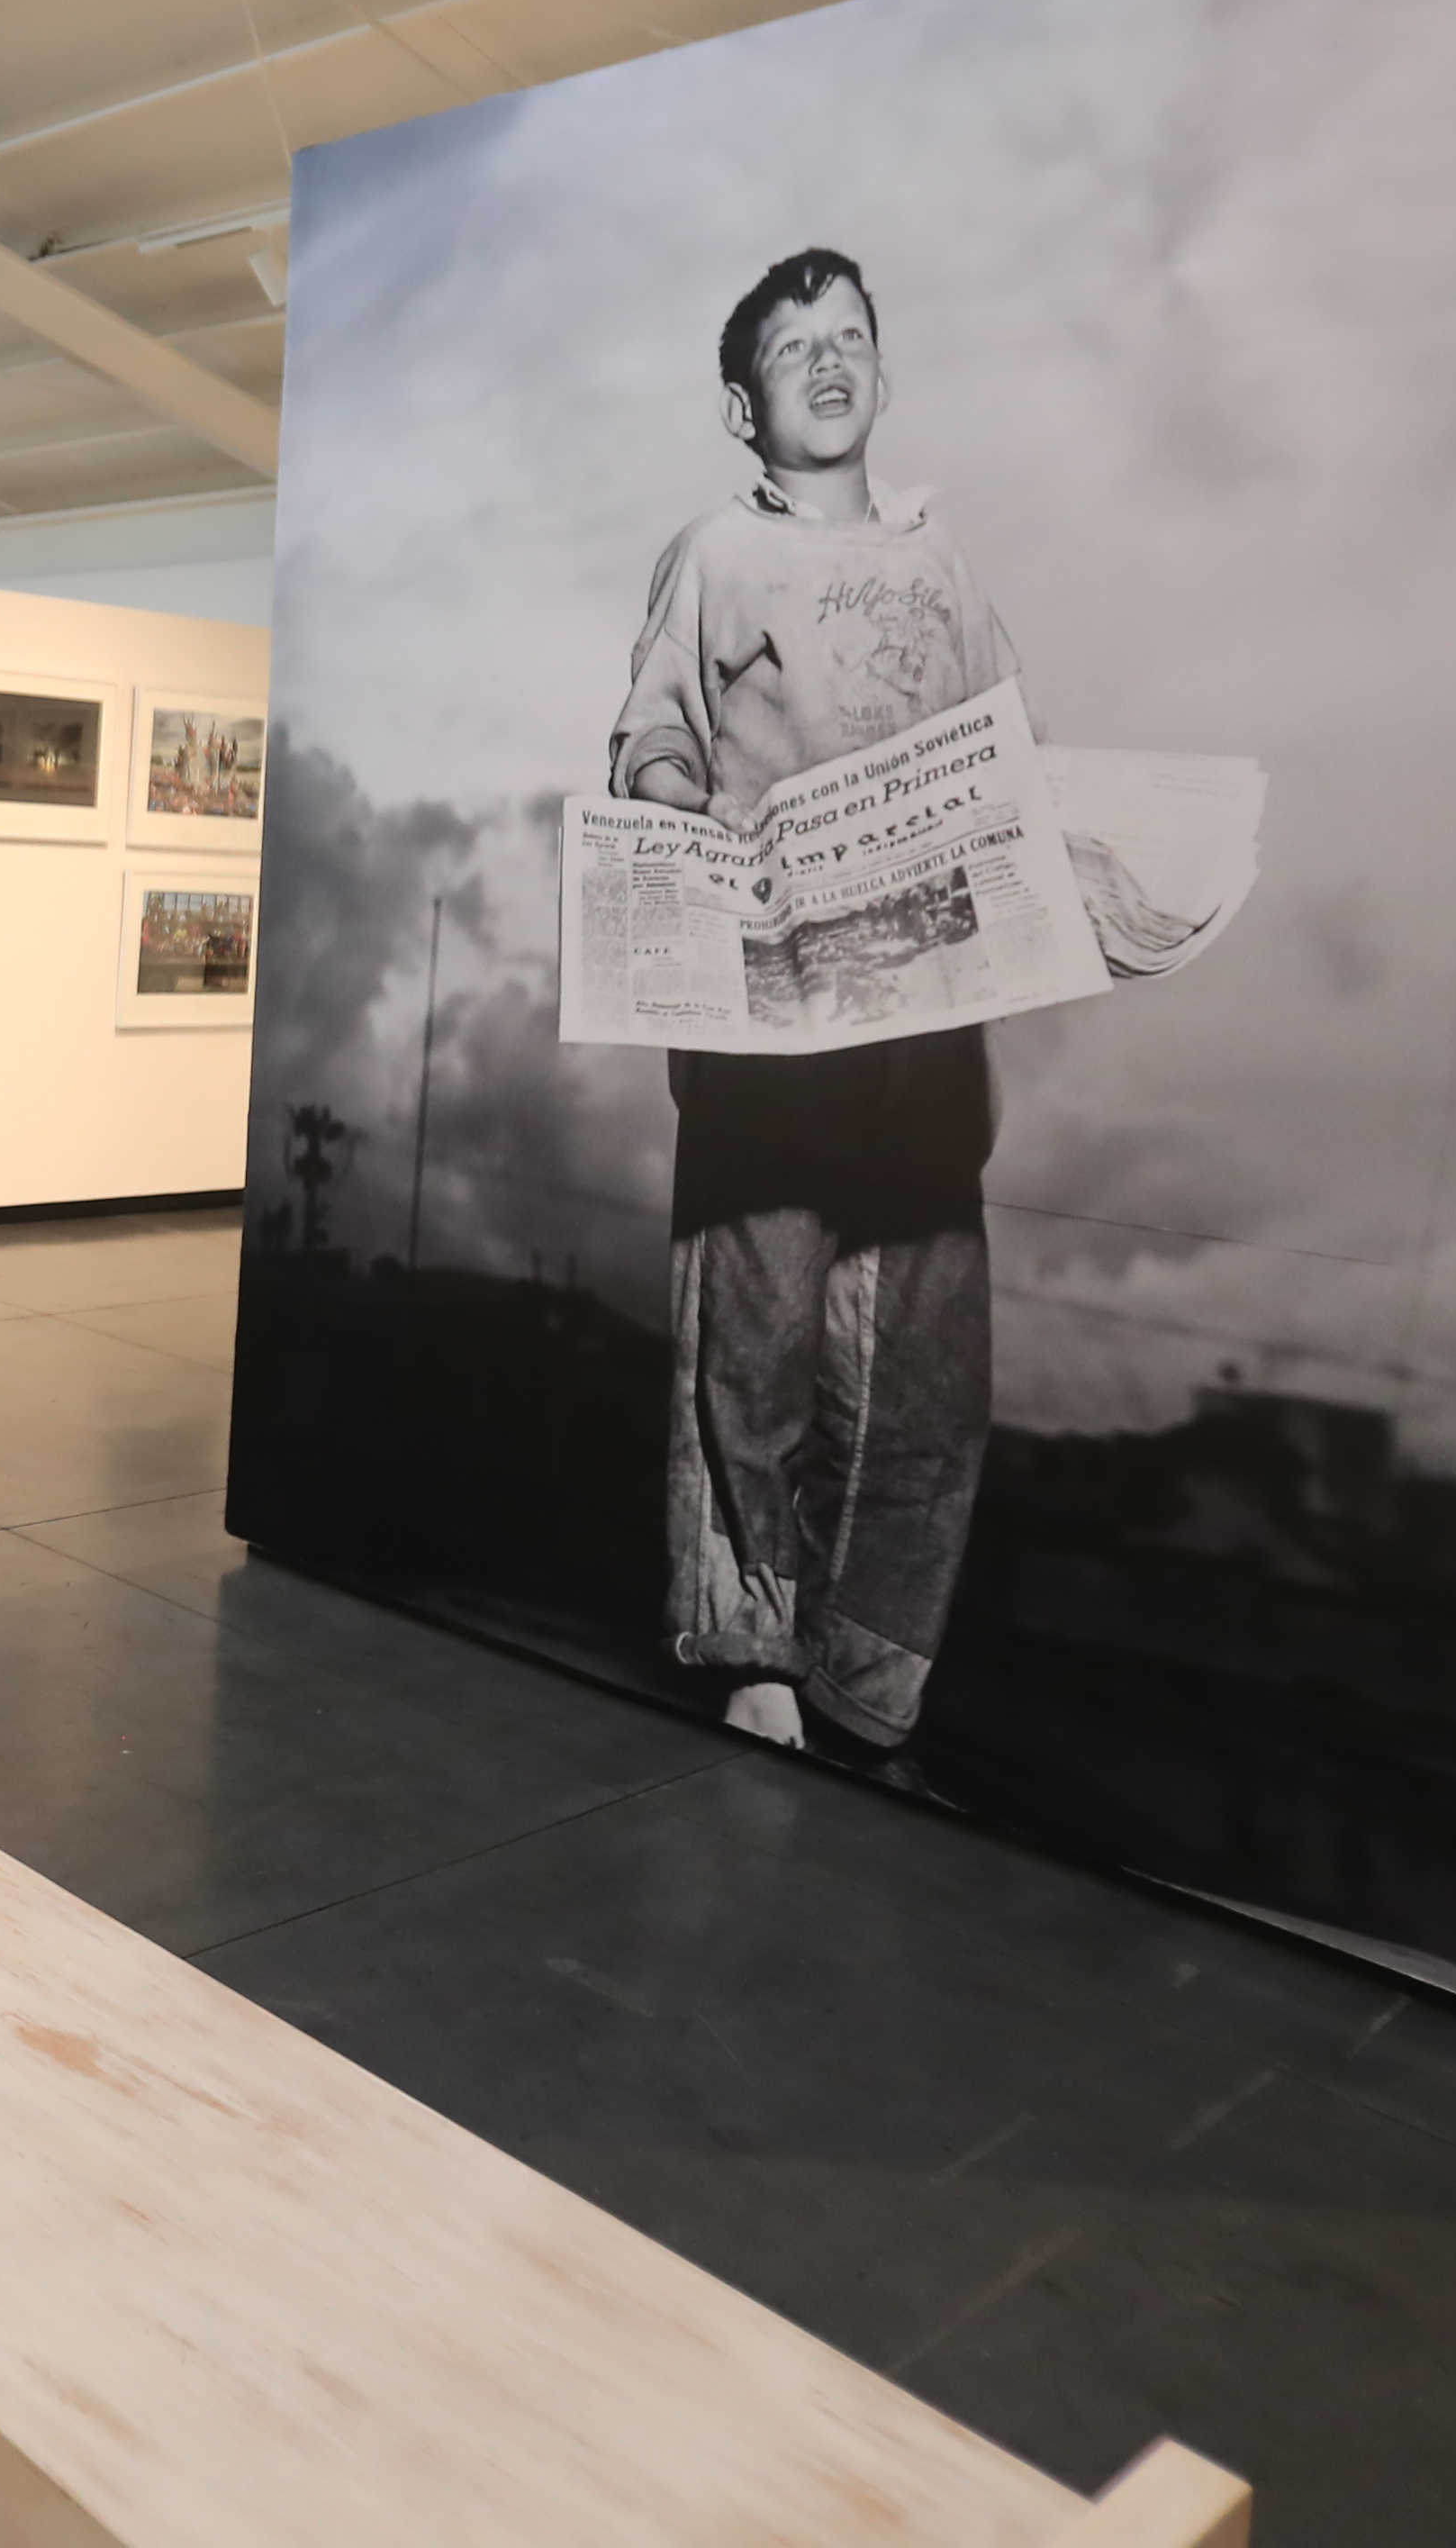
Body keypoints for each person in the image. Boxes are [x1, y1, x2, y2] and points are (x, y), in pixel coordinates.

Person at [607, 249, 1019, 1774]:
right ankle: (752, 1651)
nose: (831, 364)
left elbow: (1008, 734)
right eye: (795, 351)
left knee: (926, 1356)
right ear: (744, 407)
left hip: (925, 1015)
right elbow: (655, 726)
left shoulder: (941, 556)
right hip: (768, 1012)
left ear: (884, 374)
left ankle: (871, 1673)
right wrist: (675, 810)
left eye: (851, 339)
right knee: (758, 1329)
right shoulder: (717, 550)